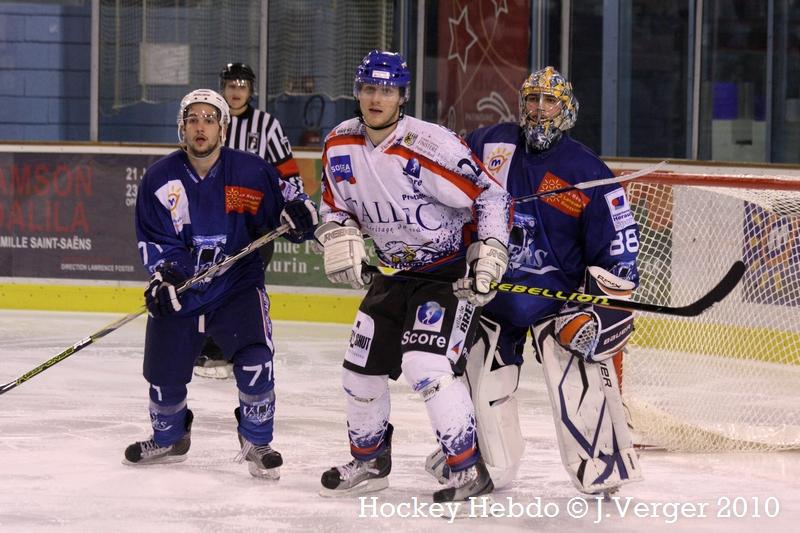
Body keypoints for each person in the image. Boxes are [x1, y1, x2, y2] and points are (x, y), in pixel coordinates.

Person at [427, 66, 643, 495]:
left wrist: (600, 310)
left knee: (579, 371)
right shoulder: (490, 144)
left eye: (550, 101)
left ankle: (604, 464)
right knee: (479, 378)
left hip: (559, 303)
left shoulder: (587, 170)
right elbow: (442, 177)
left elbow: (619, 249)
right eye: (532, 99)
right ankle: (480, 461)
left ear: (567, 109)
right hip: (495, 293)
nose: (540, 109)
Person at [314, 50, 512, 504]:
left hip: (444, 276)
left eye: (386, 90)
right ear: (358, 92)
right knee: (358, 372)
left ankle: (468, 470)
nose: (376, 98)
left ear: (402, 96)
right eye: (369, 88)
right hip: (391, 274)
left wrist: (490, 252)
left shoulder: (431, 146)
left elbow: (491, 197)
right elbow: (333, 207)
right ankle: (370, 462)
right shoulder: (339, 144)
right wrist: (339, 234)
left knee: (426, 366)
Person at [123, 88, 318, 479]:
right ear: (181, 128)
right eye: (193, 119)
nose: (201, 127)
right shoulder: (160, 179)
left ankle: (257, 441)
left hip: (237, 285)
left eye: (210, 119)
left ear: (223, 129)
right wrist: (167, 276)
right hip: (184, 290)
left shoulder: (251, 171)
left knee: (255, 359)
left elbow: (293, 205)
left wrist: (300, 215)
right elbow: (156, 239)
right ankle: (169, 437)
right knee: (163, 372)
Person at [194, 62, 307, 379]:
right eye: (231, 85)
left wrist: (294, 204)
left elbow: (288, 172)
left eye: (242, 86)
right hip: (212, 222)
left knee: (242, 286)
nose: (236, 91)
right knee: (207, 281)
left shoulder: (266, 125)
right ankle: (210, 347)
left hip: (255, 224)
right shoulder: (209, 122)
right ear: (223, 88)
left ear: (251, 90)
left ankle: (244, 348)